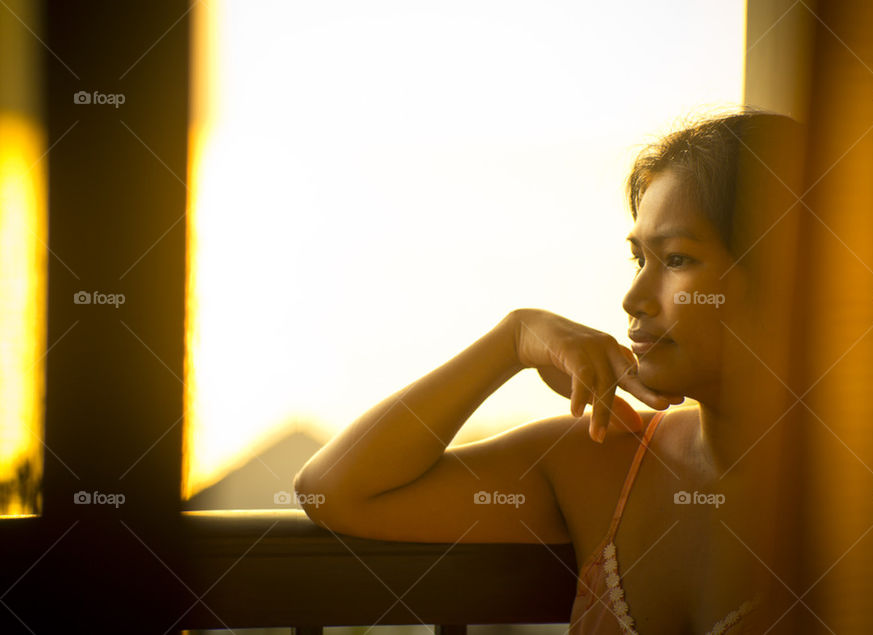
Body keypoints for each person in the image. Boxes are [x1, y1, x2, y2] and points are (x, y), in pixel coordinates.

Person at [294, 107, 807, 634]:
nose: (633, 298)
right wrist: (512, 339)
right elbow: (334, 491)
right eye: (639, 260)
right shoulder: (599, 460)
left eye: (676, 260)